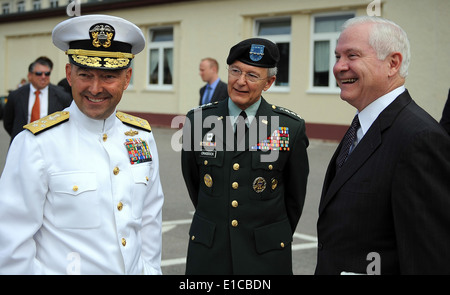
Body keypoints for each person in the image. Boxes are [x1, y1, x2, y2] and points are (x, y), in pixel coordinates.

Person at [0, 14, 164, 275]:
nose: (95, 88)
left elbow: (150, 221)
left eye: (109, 76)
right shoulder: (36, 144)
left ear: (127, 78)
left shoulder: (141, 137)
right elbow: (10, 246)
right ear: (69, 74)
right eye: (85, 74)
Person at [316, 16, 450, 275]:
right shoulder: (363, 125)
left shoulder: (420, 139)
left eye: (352, 55)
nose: (339, 67)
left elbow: (431, 258)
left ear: (392, 63)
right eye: (336, 56)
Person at [182, 38, 309, 274]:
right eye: (235, 71)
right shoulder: (198, 122)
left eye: (252, 75)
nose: (240, 81)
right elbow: (195, 184)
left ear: (269, 82)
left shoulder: (288, 127)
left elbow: (294, 197)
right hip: (210, 253)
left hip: (265, 257)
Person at [3, 56, 72, 142]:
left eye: (47, 73)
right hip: (23, 144)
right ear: (30, 75)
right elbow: (8, 123)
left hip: (50, 145)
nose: (43, 77)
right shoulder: (16, 95)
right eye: (39, 73)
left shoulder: (62, 96)